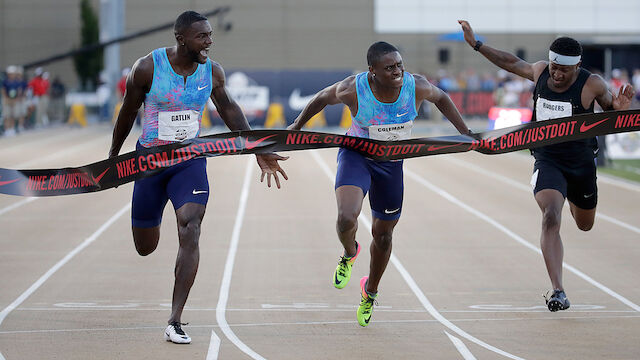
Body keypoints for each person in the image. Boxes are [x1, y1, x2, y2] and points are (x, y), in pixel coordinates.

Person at [108, 10, 288, 344]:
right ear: (181, 38)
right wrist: (114, 157)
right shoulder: (147, 68)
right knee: (145, 246)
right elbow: (128, 110)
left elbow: (230, 109)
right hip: (149, 161)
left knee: (191, 225)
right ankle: (151, 223)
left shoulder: (212, 71)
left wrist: (259, 150)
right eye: (202, 36)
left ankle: (175, 320)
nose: (209, 41)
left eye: (209, 35)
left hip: (189, 160)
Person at [288, 41, 471, 327]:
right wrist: (295, 128)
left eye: (400, 65)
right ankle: (349, 253)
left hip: (391, 163)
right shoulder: (353, 89)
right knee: (346, 217)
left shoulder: (416, 86)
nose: (397, 72)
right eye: (390, 68)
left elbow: (442, 98)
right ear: (372, 71)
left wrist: (466, 133)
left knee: (383, 235)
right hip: (356, 156)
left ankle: (369, 291)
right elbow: (322, 98)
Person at [458, 20, 635, 312]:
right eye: (554, 66)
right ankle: (558, 290)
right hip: (547, 158)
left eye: (564, 70)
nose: (556, 73)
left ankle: (576, 202)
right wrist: (477, 44)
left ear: (577, 67)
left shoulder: (592, 85)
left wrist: (621, 111)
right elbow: (511, 62)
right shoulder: (540, 71)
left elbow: (610, 116)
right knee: (551, 215)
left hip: (581, 164)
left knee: (584, 224)